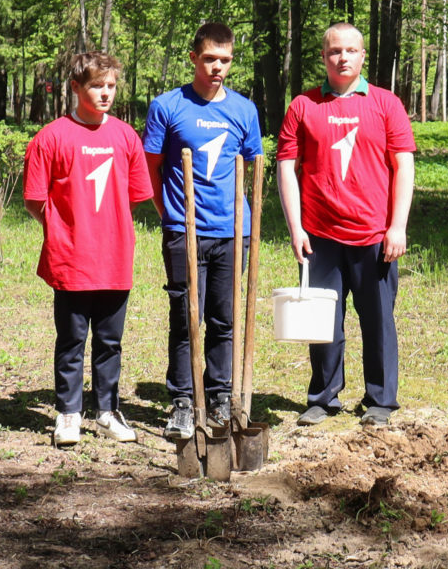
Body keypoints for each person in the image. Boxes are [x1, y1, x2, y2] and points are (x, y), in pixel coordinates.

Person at [276, 22, 415, 427]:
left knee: (379, 323)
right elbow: (287, 168)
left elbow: (403, 165)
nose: (342, 57)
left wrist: (398, 225)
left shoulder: (386, 104)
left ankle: (381, 402)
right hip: (320, 236)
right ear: (323, 57)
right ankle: (322, 398)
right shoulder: (303, 105)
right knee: (322, 324)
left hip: (375, 235)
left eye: (350, 50)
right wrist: (295, 227)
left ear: (362, 56)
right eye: (334, 51)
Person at [23, 51, 153, 447]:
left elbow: (133, 196)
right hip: (71, 261)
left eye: (111, 86)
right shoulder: (52, 137)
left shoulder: (126, 136)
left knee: (110, 342)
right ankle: (68, 413)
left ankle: (107, 411)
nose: (105, 93)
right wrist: (64, 231)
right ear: (76, 88)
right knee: (72, 340)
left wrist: (107, 228)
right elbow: (34, 199)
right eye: (97, 85)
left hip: (114, 259)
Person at [142, 22, 264, 440]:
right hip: (184, 229)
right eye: (210, 58)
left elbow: (253, 164)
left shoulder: (244, 110)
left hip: (232, 231)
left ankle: (219, 395)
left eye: (225, 60)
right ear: (193, 57)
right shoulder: (167, 105)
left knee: (223, 318)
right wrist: (168, 213)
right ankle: (182, 401)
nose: (217, 67)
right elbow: (152, 166)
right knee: (185, 317)